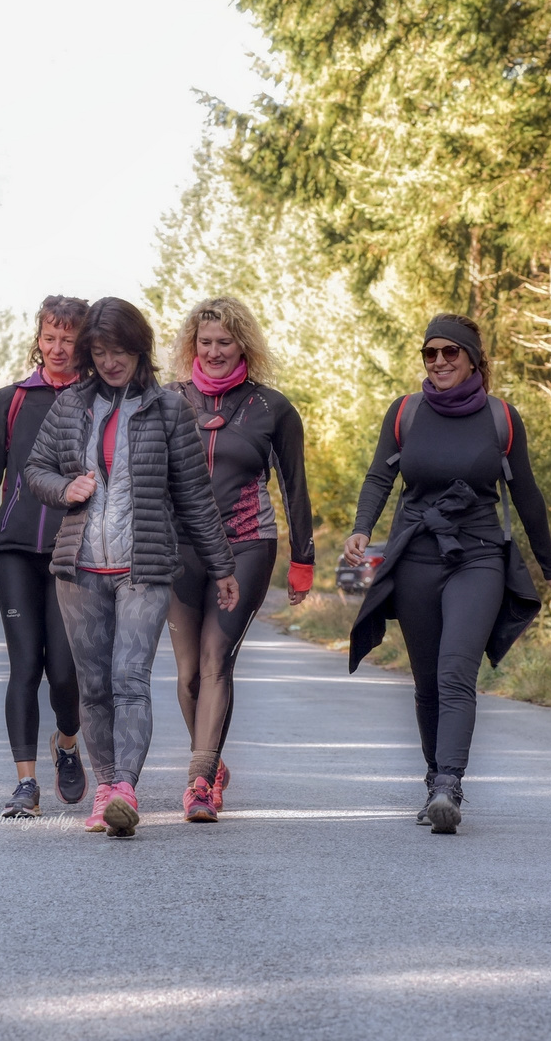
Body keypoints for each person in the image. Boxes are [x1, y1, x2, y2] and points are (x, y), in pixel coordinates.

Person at [343, 313, 551, 834]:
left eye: (450, 352)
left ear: (472, 359)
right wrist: (360, 528)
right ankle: (432, 781)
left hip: (479, 556)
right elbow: (381, 474)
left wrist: (550, 566)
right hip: (418, 555)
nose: (439, 361)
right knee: (426, 683)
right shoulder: (406, 412)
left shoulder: (501, 418)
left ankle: (450, 784)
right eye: (430, 353)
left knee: (454, 672)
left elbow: (528, 497)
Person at [25, 296, 238, 838]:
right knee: (92, 685)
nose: (109, 362)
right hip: (80, 567)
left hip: (144, 566)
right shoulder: (71, 405)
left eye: (118, 350)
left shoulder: (169, 409)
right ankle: (105, 790)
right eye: (98, 352)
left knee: (129, 678)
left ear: (139, 348)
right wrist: (64, 487)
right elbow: (35, 470)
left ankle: (124, 789)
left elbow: (193, 495)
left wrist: (222, 566)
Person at [166, 297, 315, 822]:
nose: (213, 352)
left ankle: (199, 782)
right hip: (180, 548)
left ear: (243, 345)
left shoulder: (272, 408)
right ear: (192, 345)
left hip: (248, 544)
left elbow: (296, 488)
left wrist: (303, 560)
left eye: (224, 342)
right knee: (186, 674)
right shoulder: (168, 400)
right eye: (204, 343)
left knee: (215, 659)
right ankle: (212, 762)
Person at [0, 296, 89, 818]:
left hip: (72, 550)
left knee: (63, 672)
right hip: (14, 548)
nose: (58, 348)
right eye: (49, 337)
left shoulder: (95, 402)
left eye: (69, 339)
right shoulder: (12, 399)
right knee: (23, 667)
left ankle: (66, 742)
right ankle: (25, 785)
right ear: (37, 338)